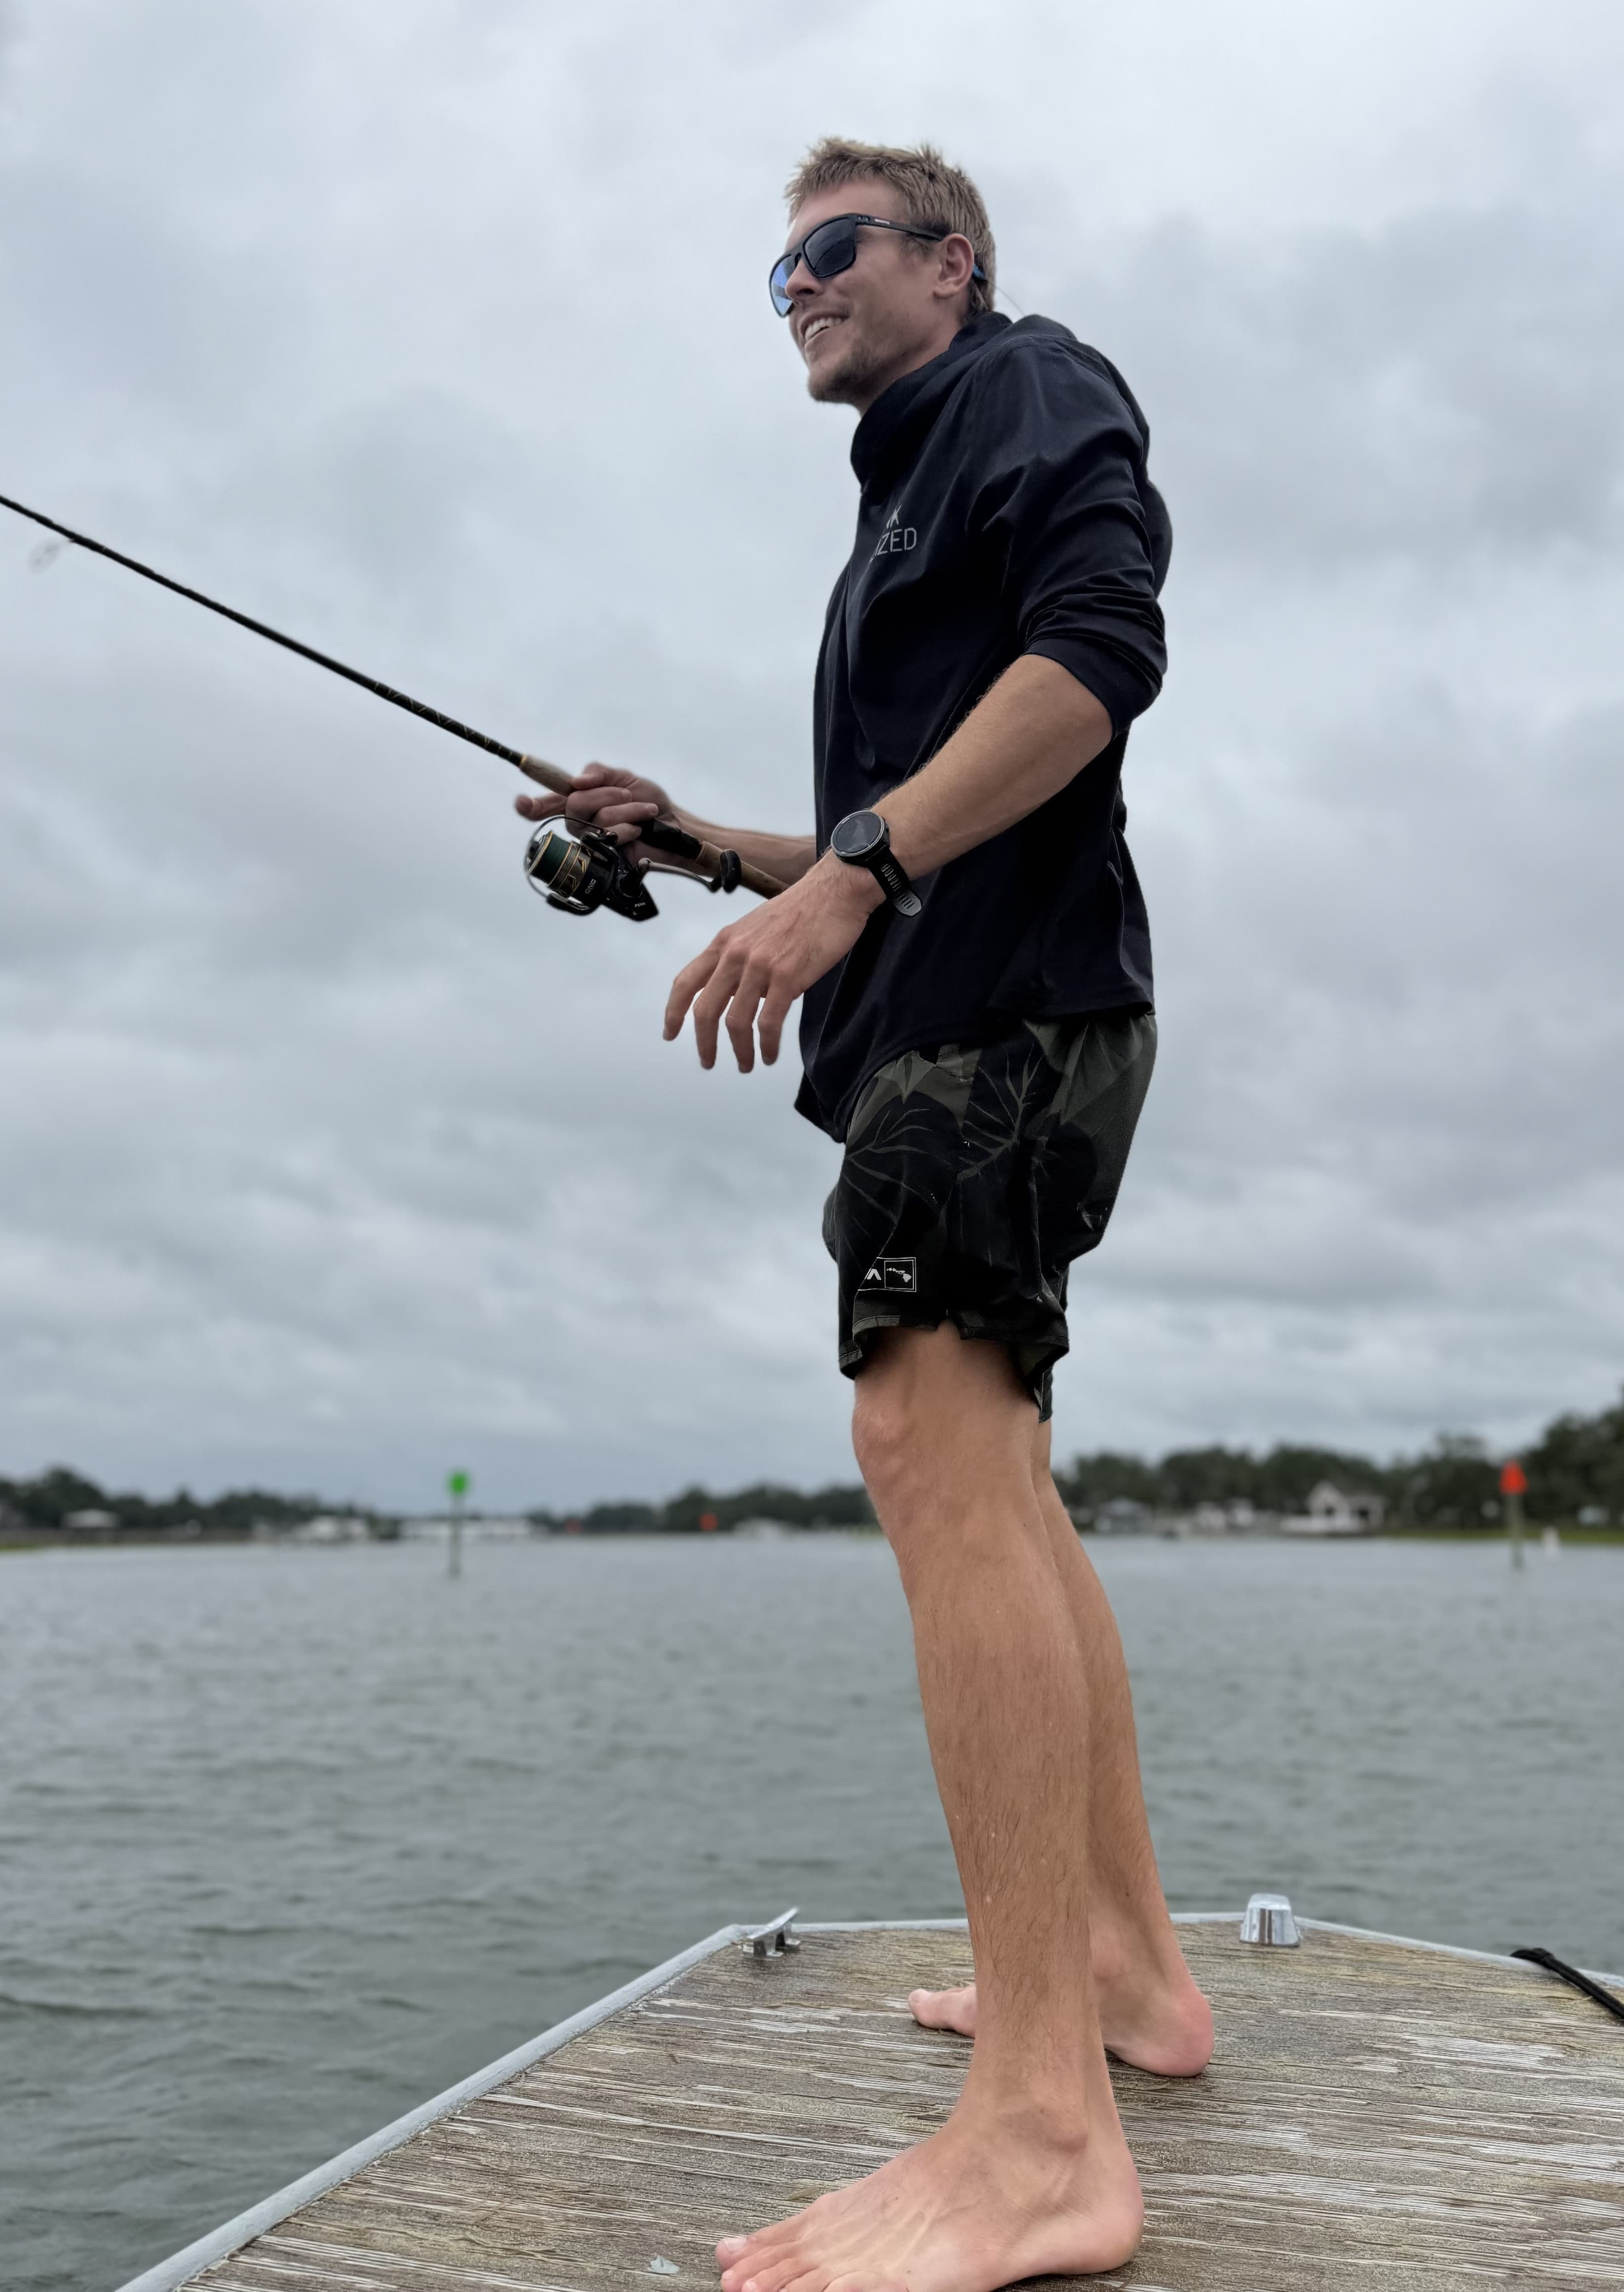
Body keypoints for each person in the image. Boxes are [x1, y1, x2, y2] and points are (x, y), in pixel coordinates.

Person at [517, 138, 1211, 2292]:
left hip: (994, 1024)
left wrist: (851, 876)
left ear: (951, 259)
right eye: (778, 265)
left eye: (832, 248)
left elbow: (1099, 656)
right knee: (998, 1467)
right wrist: (720, 837)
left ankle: (1036, 2144)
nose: (797, 284)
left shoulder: (1024, 385)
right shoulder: (900, 491)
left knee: (925, 1451)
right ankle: (1126, 1979)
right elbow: (888, 804)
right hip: (965, 1015)